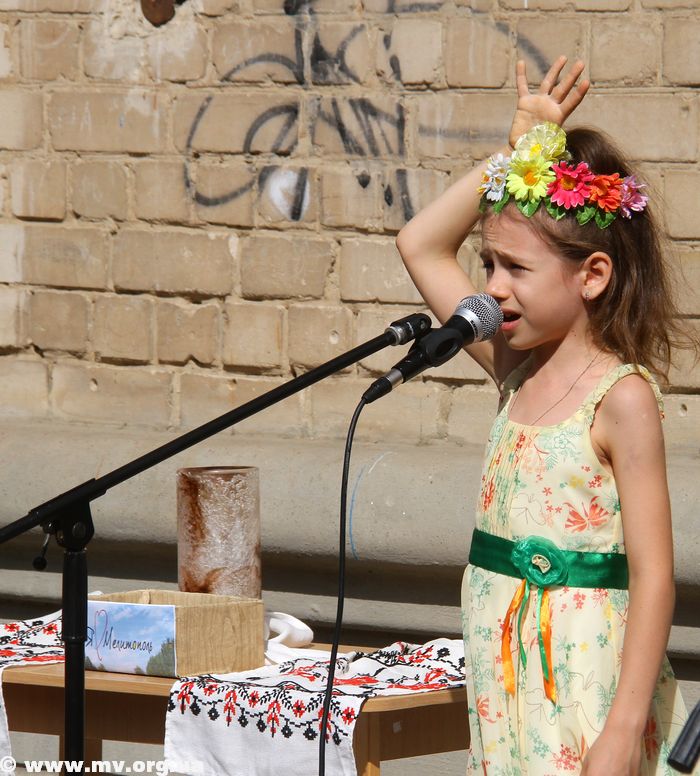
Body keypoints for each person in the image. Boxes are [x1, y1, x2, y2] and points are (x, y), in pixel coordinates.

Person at [396, 56, 696, 775]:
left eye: (517, 269)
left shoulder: (620, 398)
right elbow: (420, 243)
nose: (493, 289)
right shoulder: (514, 367)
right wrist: (518, 154)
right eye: (489, 264)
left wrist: (622, 730)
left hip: (587, 682)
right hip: (506, 683)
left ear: (592, 275)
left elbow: (655, 576)